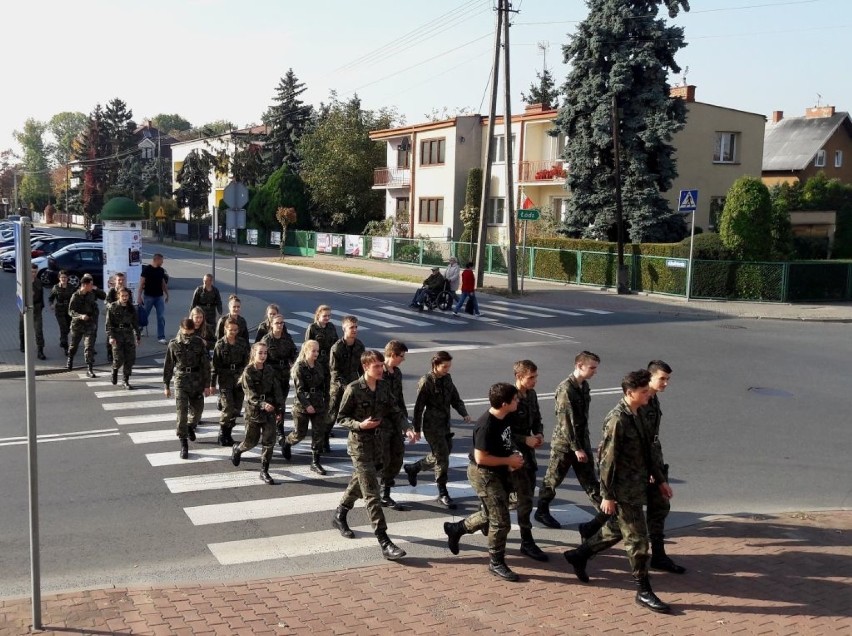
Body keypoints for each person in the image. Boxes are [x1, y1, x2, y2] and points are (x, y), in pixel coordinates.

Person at [563, 370, 673, 614]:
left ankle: (580, 555)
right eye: (643, 392)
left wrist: (661, 480)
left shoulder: (640, 412)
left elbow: (649, 450)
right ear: (629, 392)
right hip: (622, 490)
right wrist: (607, 495)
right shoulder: (617, 420)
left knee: (615, 530)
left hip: (638, 483)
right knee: (638, 540)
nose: (648, 395)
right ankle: (643, 591)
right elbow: (607, 462)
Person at [443, 382, 525, 581]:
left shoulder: (505, 416)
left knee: (492, 514)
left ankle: (456, 529)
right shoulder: (486, 424)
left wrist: (514, 455)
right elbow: (480, 458)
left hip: (499, 471)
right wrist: (509, 461)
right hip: (484, 474)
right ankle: (496, 562)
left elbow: (505, 440)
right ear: (504, 403)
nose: (518, 401)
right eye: (514, 399)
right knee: (501, 521)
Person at [331, 350, 407, 561]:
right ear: (366, 367)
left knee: (361, 481)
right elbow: (342, 418)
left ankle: (340, 513)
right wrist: (359, 425)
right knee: (372, 493)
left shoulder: (383, 386)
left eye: (382, 366)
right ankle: (384, 540)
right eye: (377, 366)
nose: (381, 369)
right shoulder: (353, 389)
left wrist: (406, 426)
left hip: (378, 444)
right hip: (360, 447)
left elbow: (394, 409)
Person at [535, 351, 609, 537]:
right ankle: (541, 511)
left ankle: (607, 514)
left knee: (590, 481)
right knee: (553, 480)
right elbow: (565, 422)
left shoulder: (583, 386)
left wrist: (582, 446)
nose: (595, 372)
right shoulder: (566, 389)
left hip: (580, 442)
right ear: (579, 366)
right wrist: (576, 449)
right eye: (592, 367)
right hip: (565, 445)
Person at [404, 350, 472, 509]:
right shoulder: (426, 381)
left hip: (445, 423)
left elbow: (455, 398)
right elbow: (419, 407)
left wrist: (464, 413)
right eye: (444, 366)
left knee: (444, 452)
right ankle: (443, 492)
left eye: (449, 366)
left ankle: (414, 468)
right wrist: (417, 428)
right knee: (442, 457)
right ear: (435, 365)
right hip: (431, 425)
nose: (447, 369)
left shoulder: (447, 378)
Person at [639, 360, 686, 574]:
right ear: (650, 377)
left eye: (668, 379)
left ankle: (658, 555)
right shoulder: (641, 402)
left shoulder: (653, 399)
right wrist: (653, 473)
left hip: (653, 462)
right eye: (662, 379)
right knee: (619, 521)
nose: (666, 383)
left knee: (659, 508)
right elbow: (640, 443)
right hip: (641, 467)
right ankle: (585, 547)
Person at [507, 360, 548, 561]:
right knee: (522, 499)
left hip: (528, 456)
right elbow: (504, 432)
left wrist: (539, 433)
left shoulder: (531, 395)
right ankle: (527, 541)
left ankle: (526, 539)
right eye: (531, 377)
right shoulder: (509, 397)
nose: (535, 381)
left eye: (535, 376)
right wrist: (526, 439)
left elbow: (537, 417)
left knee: (525, 498)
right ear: (519, 376)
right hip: (512, 457)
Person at [231, 341, 286, 485]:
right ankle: (238, 449)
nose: (263, 356)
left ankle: (264, 471)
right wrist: (262, 404)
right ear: (253, 354)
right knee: (251, 442)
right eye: (260, 353)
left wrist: (279, 409)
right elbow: (250, 395)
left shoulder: (269, 370)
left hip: (270, 412)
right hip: (254, 412)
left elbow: (277, 391)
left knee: (269, 443)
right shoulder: (248, 372)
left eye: (265, 353)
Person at [163, 317, 212, 460]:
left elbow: (206, 365)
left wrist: (207, 385)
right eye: (186, 334)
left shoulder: (199, 343)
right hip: (181, 380)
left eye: (191, 333)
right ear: (181, 329)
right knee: (181, 413)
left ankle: (191, 426)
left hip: (197, 380)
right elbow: (168, 366)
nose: (188, 337)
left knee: (198, 411)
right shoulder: (173, 344)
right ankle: (183, 443)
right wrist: (166, 385)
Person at [380, 340, 417, 510]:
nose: (403, 359)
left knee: (397, 457)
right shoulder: (378, 371)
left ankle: (385, 493)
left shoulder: (397, 372)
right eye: (401, 356)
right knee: (382, 459)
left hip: (396, 420)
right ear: (393, 355)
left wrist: (405, 421)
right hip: (381, 422)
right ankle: (379, 492)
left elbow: (399, 398)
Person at [284, 340, 328, 474]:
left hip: (318, 404)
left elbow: (325, 385)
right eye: (313, 351)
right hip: (302, 406)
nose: (316, 353)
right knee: (300, 434)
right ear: (306, 351)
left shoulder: (319, 366)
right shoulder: (299, 367)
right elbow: (299, 390)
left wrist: (326, 401)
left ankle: (315, 462)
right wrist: (307, 405)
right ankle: (287, 443)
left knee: (318, 433)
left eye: (317, 351)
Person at [328, 316, 366, 448]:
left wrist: (364, 383)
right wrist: (345, 387)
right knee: (332, 414)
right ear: (344, 329)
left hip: (353, 383)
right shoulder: (337, 348)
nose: (354, 330)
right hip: (338, 386)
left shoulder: (359, 345)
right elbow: (334, 371)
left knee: (357, 413)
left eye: (356, 327)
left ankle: (358, 442)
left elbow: (362, 367)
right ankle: (323, 440)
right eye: (351, 327)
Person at [211, 317, 250, 447]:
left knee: (236, 409)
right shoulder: (220, 345)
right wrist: (212, 384)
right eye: (230, 329)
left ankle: (228, 433)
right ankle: (222, 433)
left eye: (235, 330)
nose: (233, 332)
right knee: (228, 407)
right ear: (225, 329)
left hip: (239, 379)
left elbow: (247, 362)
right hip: (225, 379)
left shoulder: (242, 343)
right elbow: (215, 366)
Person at [262, 314, 297, 452]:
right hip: (271, 376)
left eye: (282, 323)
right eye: (277, 323)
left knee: (281, 404)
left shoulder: (287, 338)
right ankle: (270, 429)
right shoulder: (267, 339)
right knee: (272, 404)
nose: (280, 325)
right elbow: (262, 358)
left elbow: (294, 352)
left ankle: (279, 429)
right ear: (271, 324)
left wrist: (293, 363)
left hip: (283, 375)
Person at [305, 305, 338, 449]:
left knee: (328, 398)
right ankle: (319, 429)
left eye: (329, 316)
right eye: (325, 316)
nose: (327, 318)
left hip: (329, 365)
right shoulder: (312, 328)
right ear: (318, 315)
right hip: (316, 365)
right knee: (317, 396)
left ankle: (325, 429)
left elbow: (336, 345)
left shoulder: (331, 327)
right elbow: (307, 347)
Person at [67, 274, 107, 377]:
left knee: (89, 346)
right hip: (78, 325)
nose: (92, 287)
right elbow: (70, 311)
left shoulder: (91, 294)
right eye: (90, 285)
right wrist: (80, 316)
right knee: (73, 345)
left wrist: (93, 317)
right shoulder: (75, 296)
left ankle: (89, 368)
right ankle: (70, 359)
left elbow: (102, 298)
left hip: (89, 324)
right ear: (85, 285)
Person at [105, 287, 140, 389]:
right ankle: (115, 369)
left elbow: (135, 323)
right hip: (117, 335)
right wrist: (111, 337)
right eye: (123, 296)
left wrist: (137, 336)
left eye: (126, 296)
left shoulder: (131, 308)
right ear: (118, 296)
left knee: (130, 359)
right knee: (119, 358)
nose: (125, 298)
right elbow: (108, 324)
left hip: (128, 335)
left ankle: (125, 381)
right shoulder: (113, 307)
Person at [137, 253, 169, 344]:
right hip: (148, 296)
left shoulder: (161, 270)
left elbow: (163, 283)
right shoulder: (147, 270)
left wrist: (167, 294)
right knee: (144, 315)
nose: (162, 262)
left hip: (159, 296)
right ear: (157, 260)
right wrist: (139, 296)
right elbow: (141, 283)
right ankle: (139, 329)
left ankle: (161, 337)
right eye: (161, 260)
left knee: (161, 316)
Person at [19, 264, 46, 360]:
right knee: (22, 329)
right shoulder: (24, 282)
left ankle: (40, 351)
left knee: (39, 330)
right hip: (25, 309)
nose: (33, 274)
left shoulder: (39, 282)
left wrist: (42, 306)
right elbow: (19, 295)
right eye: (32, 272)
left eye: (35, 272)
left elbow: (42, 295)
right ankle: (22, 344)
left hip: (37, 309)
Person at [48, 270, 75, 355]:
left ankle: (62, 340)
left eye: (65, 277)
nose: (63, 279)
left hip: (69, 310)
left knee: (68, 327)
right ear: (59, 278)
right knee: (63, 327)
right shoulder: (56, 287)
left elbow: (76, 298)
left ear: (67, 278)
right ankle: (66, 347)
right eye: (62, 277)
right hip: (59, 310)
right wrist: (51, 304)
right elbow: (50, 298)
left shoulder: (71, 287)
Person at [105, 271, 128, 364]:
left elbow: (129, 302)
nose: (121, 282)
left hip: (123, 317)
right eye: (119, 280)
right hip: (112, 317)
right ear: (115, 281)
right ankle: (110, 353)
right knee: (111, 335)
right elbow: (106, 302)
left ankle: (122, 353)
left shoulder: (127, 291)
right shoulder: (112, 291)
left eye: (122, 280)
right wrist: (112, 306)